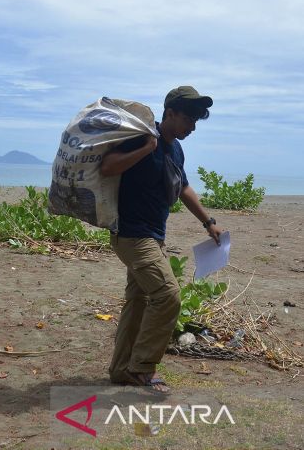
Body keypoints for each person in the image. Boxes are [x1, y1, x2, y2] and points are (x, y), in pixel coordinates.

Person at [100, 86, 224, 393]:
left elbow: (182, 187)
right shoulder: (142, 137)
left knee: (139, 301)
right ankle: (142, 368)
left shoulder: (176, 149)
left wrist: (208, 222)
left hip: (153, 236)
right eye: (189, 118)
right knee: (168, 296)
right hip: (131, 234)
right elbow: (108, 166)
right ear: (169, 113)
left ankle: (121, 370)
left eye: (197, 120)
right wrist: (146, 148)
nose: (193, 126)